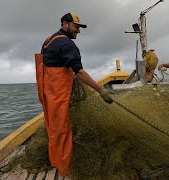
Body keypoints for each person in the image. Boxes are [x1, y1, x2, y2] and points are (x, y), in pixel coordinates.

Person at [34, 13, 114, 176]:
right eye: (76, 26)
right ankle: (64, 168)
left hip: (46, 92)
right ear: (65, 24)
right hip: (57, 93)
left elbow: (55, 64)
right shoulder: (66, 44)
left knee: (53, 128)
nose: (78, 30)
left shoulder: (49, 40)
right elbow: (79, 72)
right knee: (62, 129)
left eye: (79, 27)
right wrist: (100, 90)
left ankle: (55, 161)